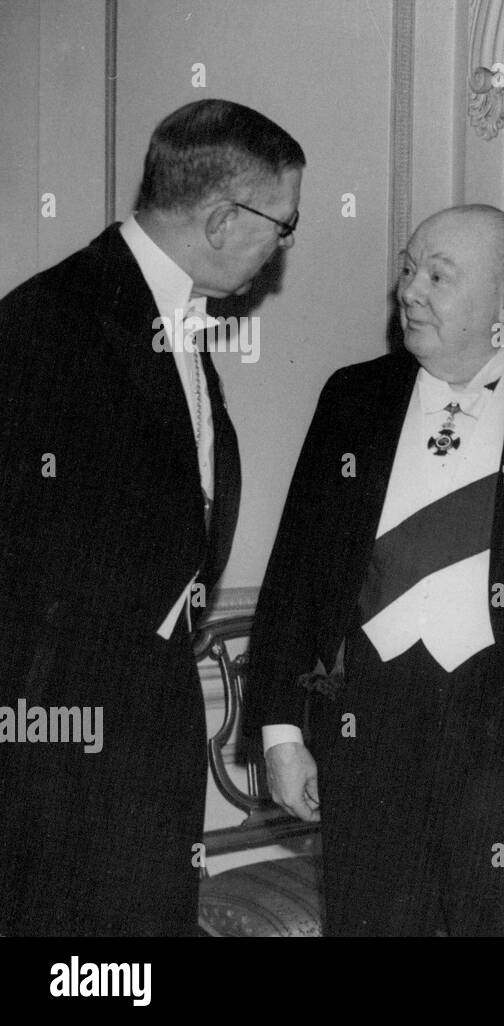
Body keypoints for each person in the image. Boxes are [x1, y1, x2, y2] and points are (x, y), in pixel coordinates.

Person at [245, 204, 504, 936]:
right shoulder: (353, 399)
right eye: (409, 268)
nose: (409, 290)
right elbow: (295, 574)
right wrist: (280, 730)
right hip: (369, 741)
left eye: (438, 276)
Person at [0, 98, 304, 935]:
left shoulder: (176, 314)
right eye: (284, 222)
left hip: (147, 709)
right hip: (59, 728)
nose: (285, 245)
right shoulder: (47, 326)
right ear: (220, 217)